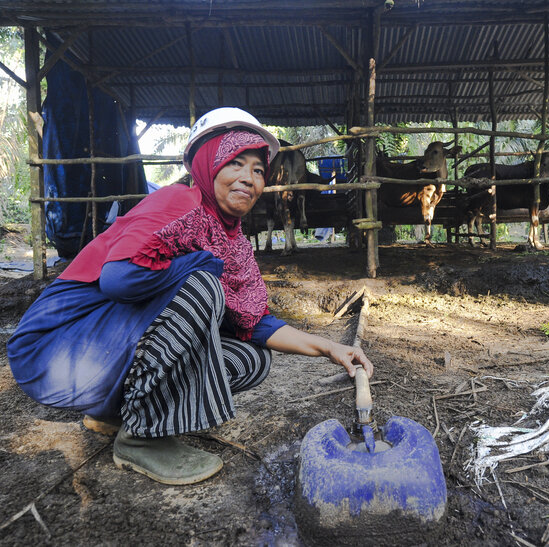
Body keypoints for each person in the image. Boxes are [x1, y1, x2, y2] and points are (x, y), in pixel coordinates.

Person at [7, 107, 373, 485]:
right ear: (207, 163)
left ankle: (113, 412)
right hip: (56, 348)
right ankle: (142, 439)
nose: (249, 178)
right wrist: (200, 263)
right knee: (204, 286)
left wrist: (331, 349)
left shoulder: (232, 242)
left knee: (252, 359)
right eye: (235, 163)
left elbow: (257, 325)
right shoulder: (179, 203)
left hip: (101, 353)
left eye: (259, 170)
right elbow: (119, 280)